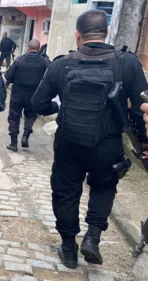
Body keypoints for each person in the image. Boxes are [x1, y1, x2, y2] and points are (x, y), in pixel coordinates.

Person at [31, 10, 148, 268]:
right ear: (106, 33)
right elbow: (142, 109)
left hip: (68, 143)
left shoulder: (61, 64)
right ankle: (92, 238)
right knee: (104, 186)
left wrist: (58, 110)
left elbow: (38, 102)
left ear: (77, 35)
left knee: (65, 192)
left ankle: (69, 248)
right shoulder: (126, 63)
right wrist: (142, 143)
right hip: (107, 143)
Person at [5, 39, 49, 152]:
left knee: (14, 117)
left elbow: (8, 76)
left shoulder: (19, 60)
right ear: (39, 50)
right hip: (34, 95)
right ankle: (25, 136)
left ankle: (13, 143)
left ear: (28, 49)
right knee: (30, 116)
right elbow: (49, 78)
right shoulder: (44, 61)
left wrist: (5, 87)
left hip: (17, 95)